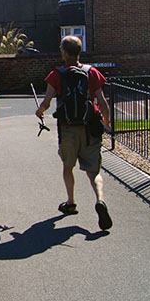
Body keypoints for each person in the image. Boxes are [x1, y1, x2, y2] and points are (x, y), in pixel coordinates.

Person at [35, 35, 113, 231]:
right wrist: (106, 123)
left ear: (64, 52)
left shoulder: (56, 74)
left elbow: (47, 102)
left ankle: (71, 202)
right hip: (89, 128)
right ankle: (100, 200)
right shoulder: (92, 72)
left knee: (68, 166)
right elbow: (102, 102)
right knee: (93, 171)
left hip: (67, 128)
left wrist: (40, 111)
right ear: (79, 51)